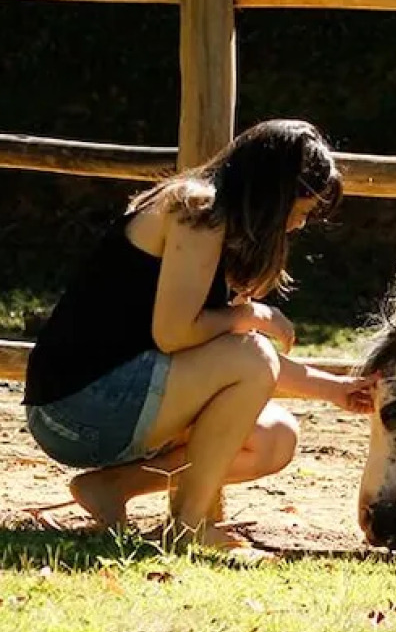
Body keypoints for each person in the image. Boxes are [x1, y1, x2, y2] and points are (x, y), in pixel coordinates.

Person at [22, 119, 373, 552]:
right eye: (297, 210)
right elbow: (176, 335)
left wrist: (335, 389)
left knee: (275, 439)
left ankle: (112, 488)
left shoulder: (220, 224)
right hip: (76, 410)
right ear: (270, 195)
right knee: (252, 358)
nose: (298, 225)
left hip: (117, 405)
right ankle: (186, 528)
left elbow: (223, 354)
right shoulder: (198, 212)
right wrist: (251, 313)